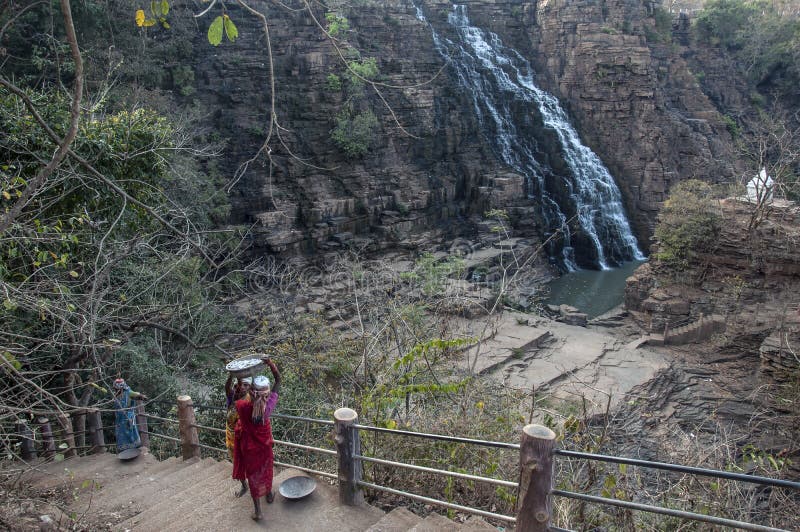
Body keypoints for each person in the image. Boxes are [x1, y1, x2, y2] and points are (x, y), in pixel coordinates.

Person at [233, 358, 281, 521]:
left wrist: (240, 377)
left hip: (249, 448)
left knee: (253, 475)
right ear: (267, 393)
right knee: (266, 470)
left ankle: (258, 511)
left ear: (252, 392)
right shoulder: (268, 409)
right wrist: (270, 364)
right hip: (265, 447)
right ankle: (268, 494)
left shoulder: (242, 406)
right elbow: (278, 380)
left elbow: (238, 395)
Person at [225, 374, 251, 497]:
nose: (243, 388)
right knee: (236, 462)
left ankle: (256, 485)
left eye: (247, 385)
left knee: (249, 462)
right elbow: (227, 387)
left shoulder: (249, 399)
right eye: (241, 385)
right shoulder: (232, 397)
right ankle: (244, 485)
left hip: (243, 436)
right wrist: (232, 375)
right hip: (230, 436)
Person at [112, 378, 147, 452]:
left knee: (130, 432)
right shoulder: (116, 395)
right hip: (119, 419)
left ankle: (134, 449)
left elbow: (137, 395)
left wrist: (142, 396)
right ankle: (123, 450)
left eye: (116, 388)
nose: (115, 390)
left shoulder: (128, 392)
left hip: (128, 418)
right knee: (121, 434)